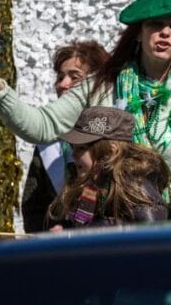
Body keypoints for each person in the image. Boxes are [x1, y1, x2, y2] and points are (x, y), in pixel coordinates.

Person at [0, 0, 171, 204]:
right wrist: (2, 93)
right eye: (155, 24)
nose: (164, 32)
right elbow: (42, 126)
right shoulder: (100, 86)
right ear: (139, 34)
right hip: (110, 221)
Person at [21, 40, 111, 232]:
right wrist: (51, 228)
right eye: (60, 77)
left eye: (74, 77)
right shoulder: (49, 144)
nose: (63, 85)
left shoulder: (114, 138)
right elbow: (33, 208)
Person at [46, 107, 169, 228]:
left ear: (111, 152)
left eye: (82, 148)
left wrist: (98, 229)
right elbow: (80, 228)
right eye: (73, 147)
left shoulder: (136, 188)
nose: (73, 155)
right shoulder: (90, 186)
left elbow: (152, 233)